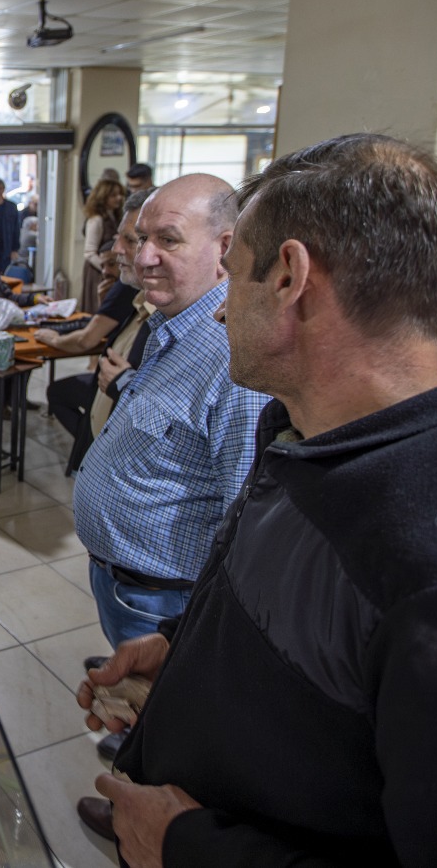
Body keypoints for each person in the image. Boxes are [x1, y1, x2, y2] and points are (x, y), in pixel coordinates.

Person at [78, 134, 437, 866]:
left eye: (237, 277)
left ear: (289, 277)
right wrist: (187, 655)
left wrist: (188, 846)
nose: (221, 313)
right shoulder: (310, 431)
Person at [71, 174, 268, 648]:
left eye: (168, 240)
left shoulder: (235, 359)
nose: (143, 258)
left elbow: (243, 529)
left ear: (225, 247)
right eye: (141, 238)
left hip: (164, 607)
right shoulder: (172, 328)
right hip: (126, 588)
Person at [35, 189, 153, 444]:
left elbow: (88, 340)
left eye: (130, 240)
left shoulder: (133, 290)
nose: (117, 250)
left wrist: (54, 339)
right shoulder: (138, 299)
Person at [79, 177, 125, 314]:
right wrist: (108, 268)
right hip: (98, 270)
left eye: (119, 194)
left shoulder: (114, 217)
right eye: (113, 195)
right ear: (103, 197)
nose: (119, 198)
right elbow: (89, 252)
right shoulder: (96, 220)